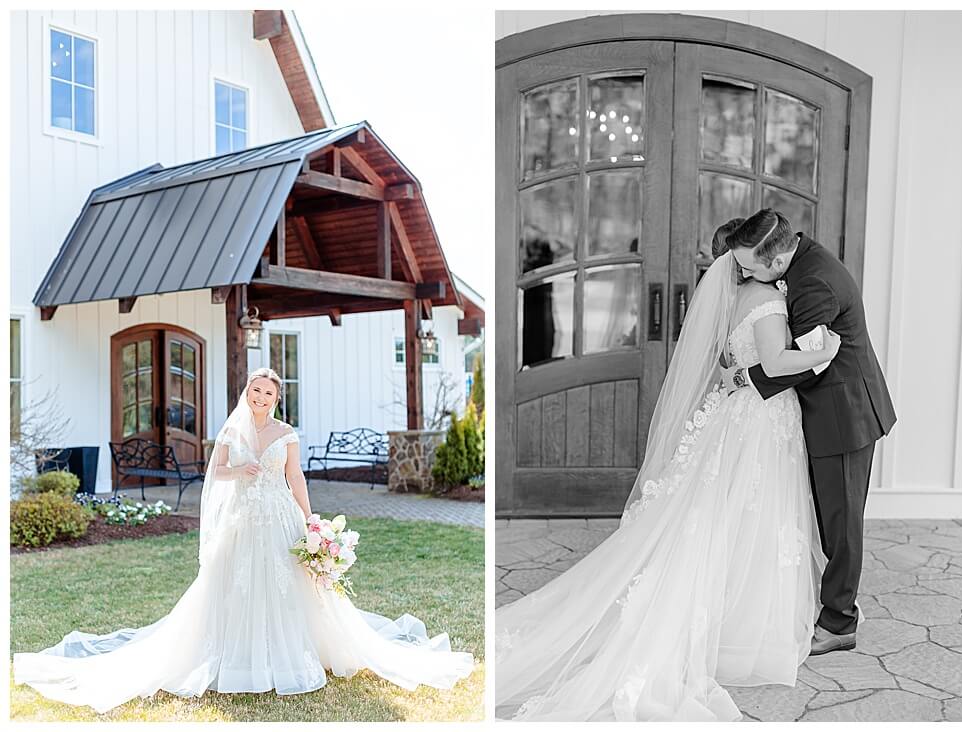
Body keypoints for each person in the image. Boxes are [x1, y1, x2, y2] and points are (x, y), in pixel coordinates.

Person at [495, 217, 841, 722]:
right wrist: (821, 353)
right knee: (755, 518)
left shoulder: (735, 301)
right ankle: (745, 633)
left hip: (744, 415)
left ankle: (736, 622)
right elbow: (774, 360)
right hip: (762, 422)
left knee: (731, 519)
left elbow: (735, 362)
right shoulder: (766, 303)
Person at [14, 368, 473, 713]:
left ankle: (300, 653)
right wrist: (241, 469)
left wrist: (312, 522)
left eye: (269, 392)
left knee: (291, 586)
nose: (261, 397)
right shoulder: (232, 431)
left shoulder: (286, 434)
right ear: (247, 393)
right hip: (241, 518)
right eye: (255, 390)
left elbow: (296, 476)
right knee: (234, 584)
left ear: (277, 398)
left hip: (280, 516)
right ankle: (235, 658)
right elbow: (215, 475)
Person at [722, 209, 896, 655]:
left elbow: (802, 361)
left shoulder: (813, 282)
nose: (742, 273)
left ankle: (839, 623)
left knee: (841, 526)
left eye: (748, 266)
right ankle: (829, 608)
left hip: (843, 413)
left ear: (777, 263)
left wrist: (743, 379)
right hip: (828, 408)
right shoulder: (802, 260)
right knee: (827, 518)